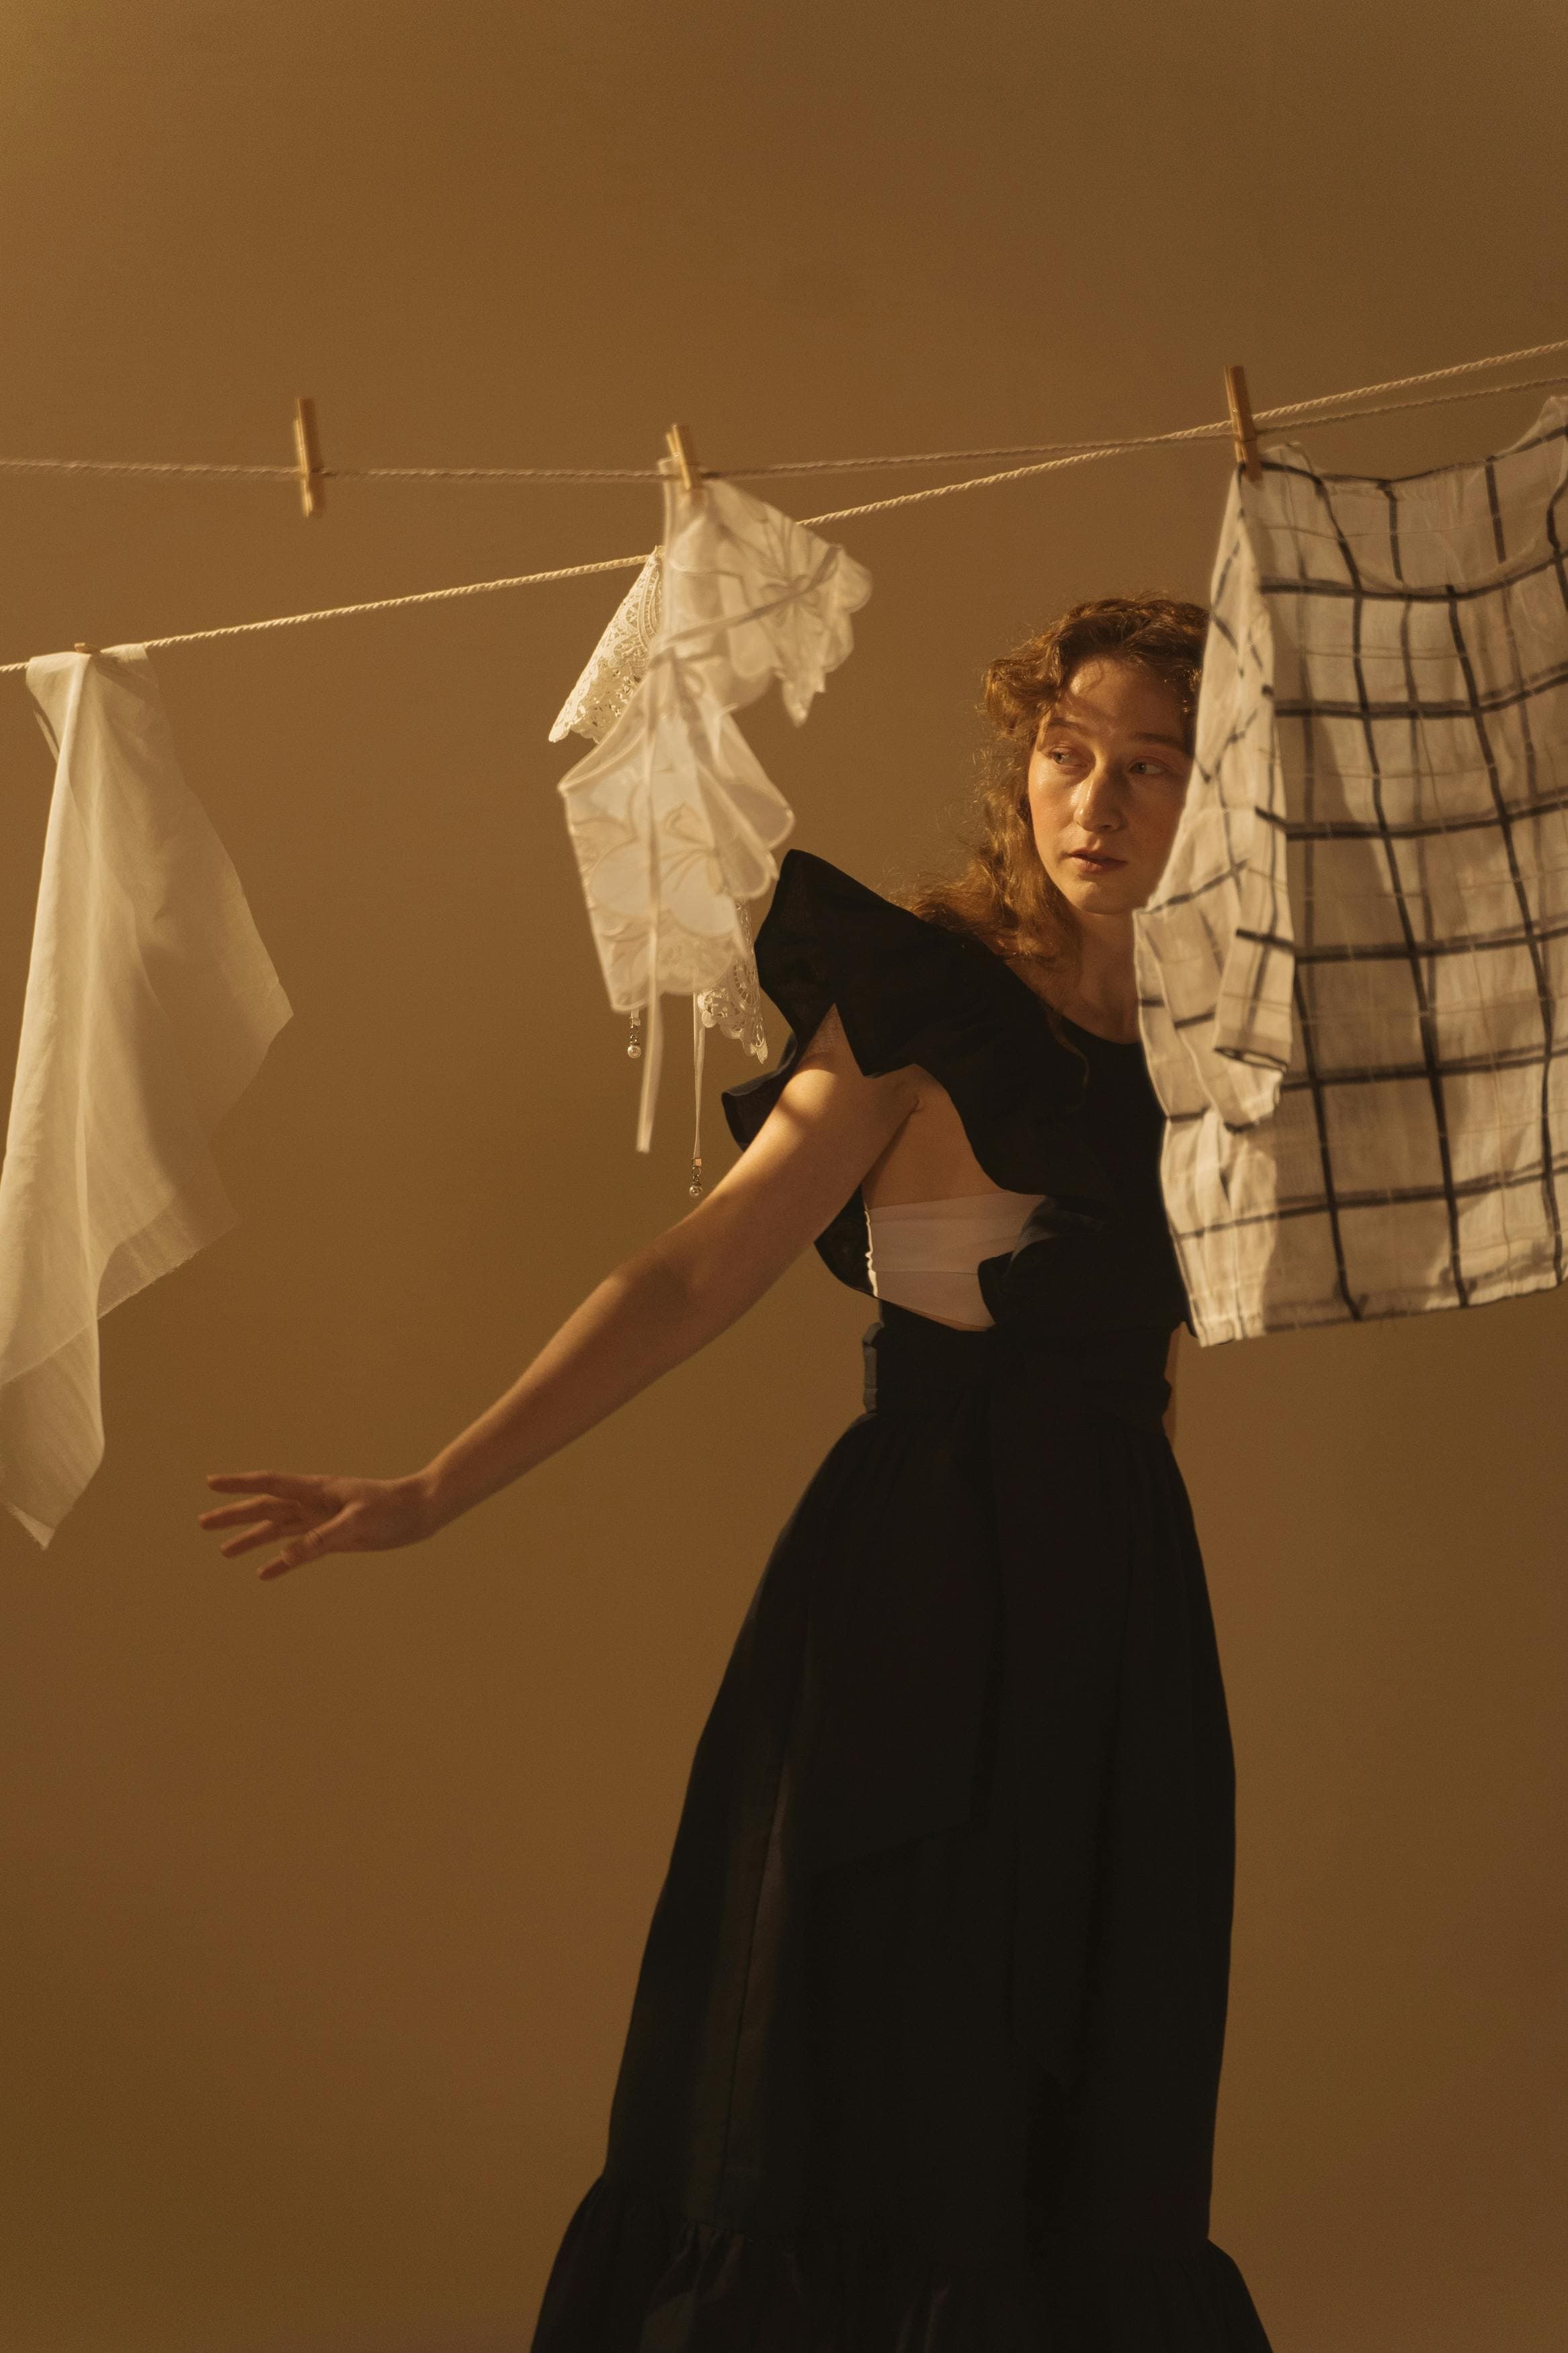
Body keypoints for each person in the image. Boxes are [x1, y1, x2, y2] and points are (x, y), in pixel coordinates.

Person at [199, 595, 1276, 2350]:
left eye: (1153, 766)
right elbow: (697, 1266)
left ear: (1213, 792)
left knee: (1088, 2122)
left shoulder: (1206, 1056)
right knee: (866, 2103)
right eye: (1071, 750)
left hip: (1126, 1626)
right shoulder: (925, 1002)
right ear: (1025, 759)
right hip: (921, 1607)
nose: (1101, 798)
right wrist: (433, 1484)